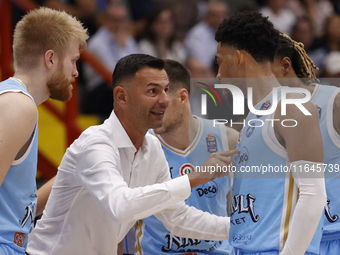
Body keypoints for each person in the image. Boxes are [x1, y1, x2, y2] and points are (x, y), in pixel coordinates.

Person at [27, 54, 239, 255]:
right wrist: (193, 179)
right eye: (153, 91)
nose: (164, 99)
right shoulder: (96, 143)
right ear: (121, 96)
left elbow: (177, 218)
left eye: (166, 90)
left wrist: (244, 227)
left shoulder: (152, 148)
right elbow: (120, 206)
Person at [215, 11, 327, 254]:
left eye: (220, 60)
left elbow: (313, 195)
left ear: (239, 58)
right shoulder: (254, 116)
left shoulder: (292, 108)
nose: (218, 74)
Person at [0, 7, 88, 255]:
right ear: (50, 59)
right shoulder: (18, 105)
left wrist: (72, 175)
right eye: (73, 61)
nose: (75, 73)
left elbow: (15, 208)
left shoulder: (16, 102)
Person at [134, 59, 238, 254]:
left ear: (182, 97)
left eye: (159, 104)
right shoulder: (139, 146)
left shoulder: (228, 139)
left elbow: (238, 210)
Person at [271, 33, 340, 255]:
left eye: (262, 68)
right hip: (289, 240)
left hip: (333, 234)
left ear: (285, 65)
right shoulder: (260, 114)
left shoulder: (333, 101)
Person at [82, 2, 139, 121]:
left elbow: (138, 66)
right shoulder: (97, 43)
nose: (118, 24)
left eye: (122, 20)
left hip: (117, 89)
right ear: (105, 19)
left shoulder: (127, 39)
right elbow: (115, 73)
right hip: (100, 93)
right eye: (114, 19)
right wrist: (122, 46)